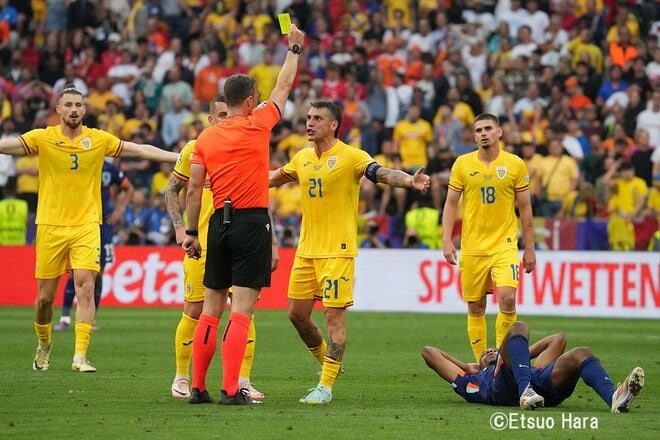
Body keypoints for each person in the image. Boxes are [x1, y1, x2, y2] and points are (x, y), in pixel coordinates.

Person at [0, 86, 178, 373]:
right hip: (50, 225)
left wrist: (178, 156)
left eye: (78, 105)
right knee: (45, 299)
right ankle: (44, 343)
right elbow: (8, 145)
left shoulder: (98, 139)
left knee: (86, 285)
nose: (73, 109)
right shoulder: (43, 138)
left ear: (84, 110)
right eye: (68, 104)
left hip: (87, 224)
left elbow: (140, 150)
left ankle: (80, 356)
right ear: (58, 109)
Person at [268, 101, 431, 405]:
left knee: (333, 318)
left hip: (338, 252)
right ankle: (329, 365)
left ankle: (326, 386)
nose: (310, 123)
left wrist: (408, 180)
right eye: (308, 118)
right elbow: (271, 178)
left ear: (333, 125)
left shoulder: (351, 156)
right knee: (297, 315)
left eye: (318, 118)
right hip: (306, 251)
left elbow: (380, 172)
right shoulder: (301, 157)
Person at [181, 24, 305, 405]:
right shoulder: (258, 123)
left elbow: (192, 188)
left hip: (218, 222)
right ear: (251, 100)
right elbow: (283, 86)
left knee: (211, 308)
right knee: (243, 309)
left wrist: (190, 232)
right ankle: (232, 389)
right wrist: (294, 48)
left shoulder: (204, 138)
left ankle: (197, 387)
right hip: (252, 221)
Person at [165, 95, 264, 400]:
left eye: (228, 113)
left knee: (243, 312)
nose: (225, 119)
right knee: (195, 310)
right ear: (210, 119)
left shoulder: (245, 148)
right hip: (204, 244)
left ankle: (242, 379)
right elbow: (173, 189)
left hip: (239, 239)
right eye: (220, 115)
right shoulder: (197, 147)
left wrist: (270, 240)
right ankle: (182, 377)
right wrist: (181, 229)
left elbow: (260, 197)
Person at [442, 113, 535, 363]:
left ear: (499, 132)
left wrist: (530, 248)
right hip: (472, 247)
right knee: (475, 307)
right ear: (474, 136)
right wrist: (447, 239)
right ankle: (484, 362)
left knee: (507, 297)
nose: (483, 133)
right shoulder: (462, 164)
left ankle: (503, 360)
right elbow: (451, 203)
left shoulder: (515, 164)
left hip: (504, 245)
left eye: (488, 129)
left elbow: (525, 208)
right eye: (478, 130)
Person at [421, 321, 645, 413]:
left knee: (581, 353)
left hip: (536, 387)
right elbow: (428, 352)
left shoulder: (523, 367)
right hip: (505, 389)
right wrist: (468, 367)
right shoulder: (472, 379)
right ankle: (525, 391)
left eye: (493, 350)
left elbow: (557, 339)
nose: (490, 351)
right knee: (519, 327)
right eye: (485, 353)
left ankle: (614, 397)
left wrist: (520, 353)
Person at [55, 160, 134, 331]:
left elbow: (128, 187)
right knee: (74, 272)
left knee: (99, 273)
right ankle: (65, 317)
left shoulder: (108, 168)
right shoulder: (80, 162)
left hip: (103, 224)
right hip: (81, 222)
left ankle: (91, 318)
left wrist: (120, 210)